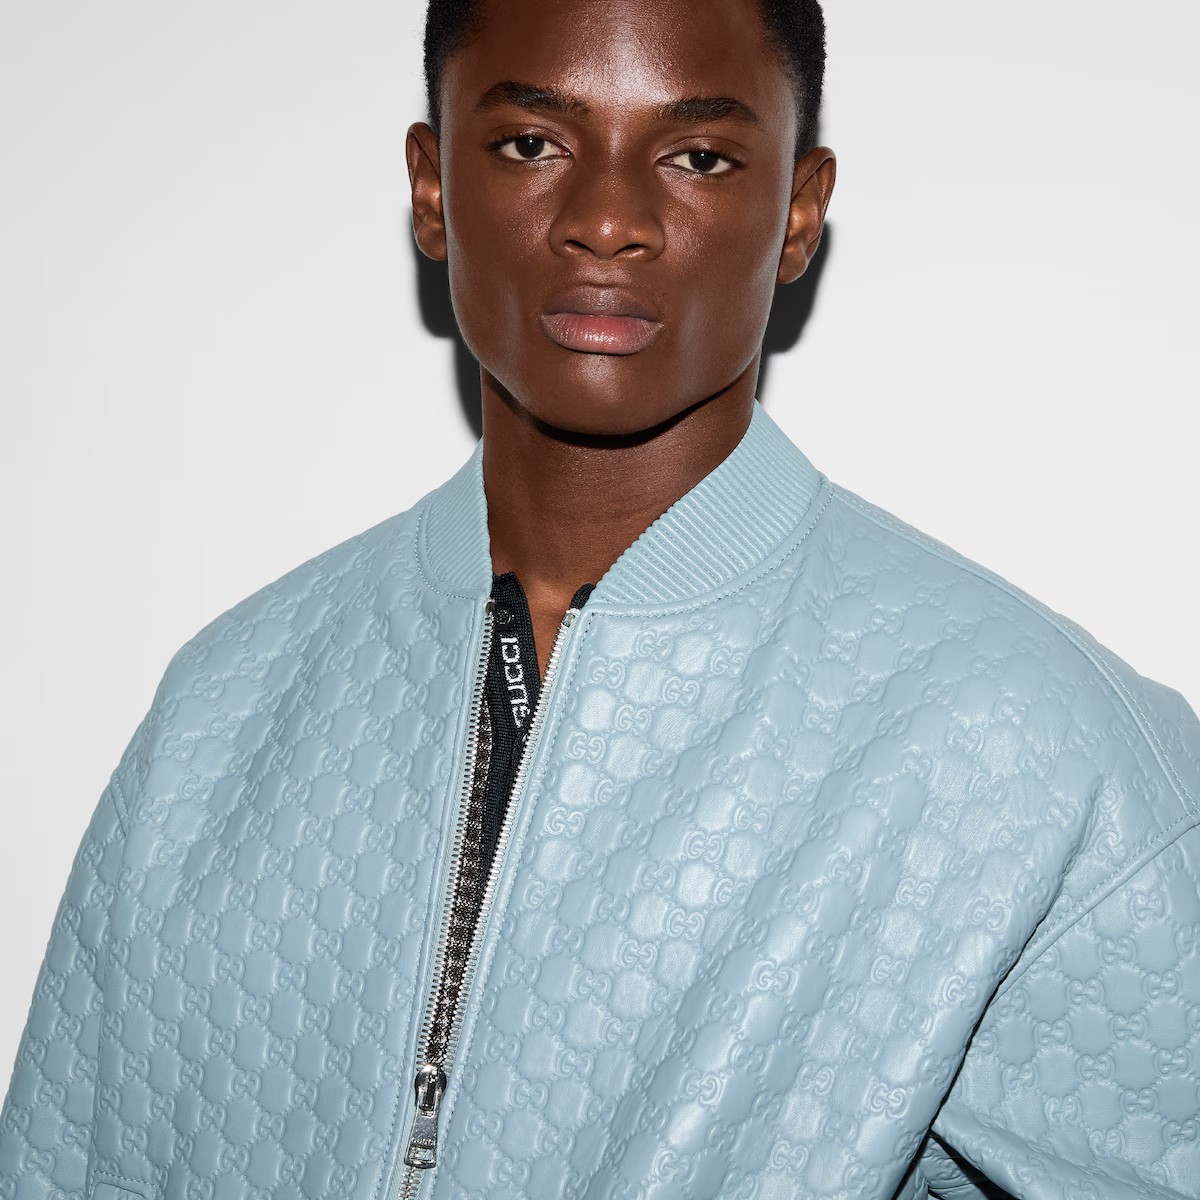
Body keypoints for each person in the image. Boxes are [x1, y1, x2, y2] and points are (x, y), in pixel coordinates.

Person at [2, 0, 1197, 1197]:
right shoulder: (224, 709)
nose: (609, 219)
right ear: (432, 187)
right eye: (533, 143)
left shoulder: (1028, 747)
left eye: (698, 157)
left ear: (798, 213)